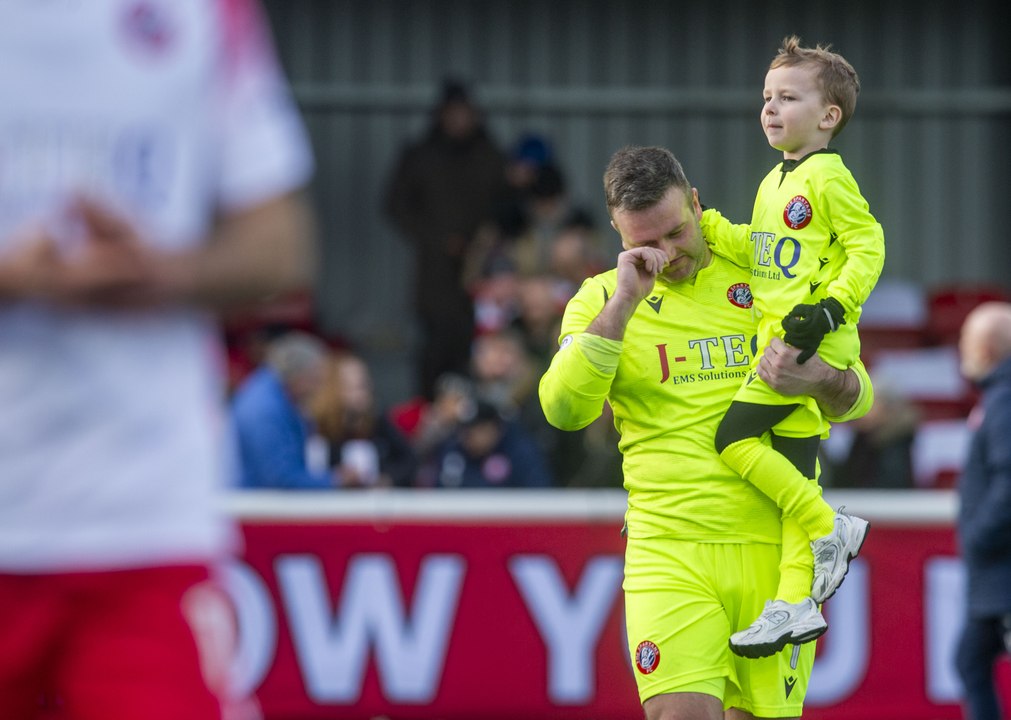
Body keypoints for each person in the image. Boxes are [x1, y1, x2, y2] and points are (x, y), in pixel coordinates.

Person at [0, 2, 315, 718]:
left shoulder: (210, 16)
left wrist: (165, 273)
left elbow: (283, 246)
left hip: (143, 519)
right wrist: (13, 278)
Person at [539, 146, 874, 720]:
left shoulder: (768, 275)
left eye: (676, 232)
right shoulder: (602, 299)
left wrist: (815, 376)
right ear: (620, 237)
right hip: (669, 550)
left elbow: (855, 396)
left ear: (697, 204)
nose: (667, 255)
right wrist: (624, 302)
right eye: (645, 243)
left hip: (775, 554)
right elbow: (564, 409)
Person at [701, 36, 885, 655]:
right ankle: (793, 604)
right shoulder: (774, 181)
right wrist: (703, 226)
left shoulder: (827, 176)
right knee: (796, 477)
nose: (770, 109)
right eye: (766, 98)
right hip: (786, 344)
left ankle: (828, 523)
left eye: (787, 97)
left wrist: (832, 306)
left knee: (731, 439)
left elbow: (869, 245)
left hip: (807, 348)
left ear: (828, 116)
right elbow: (759, 252)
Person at [384, 78, 508, 400]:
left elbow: (507, 205)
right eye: (452, 114)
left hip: (481, 269)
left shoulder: (489, 155)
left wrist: (486, 240)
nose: (458, 121)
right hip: (435, 272)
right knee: (434, 345)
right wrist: (436, 239)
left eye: (464, 114)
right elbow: (396, 205)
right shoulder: (422, 156)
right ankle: (429, 410)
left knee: (479, 342)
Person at [954, 302, 1011, 720]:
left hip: (1003, 573)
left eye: (966, 341)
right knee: (969, 659)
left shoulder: (1004, 401)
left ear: (986, 348)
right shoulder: (997, 398)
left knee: (970, 660)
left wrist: (978, 536)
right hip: (996, 577)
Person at [232, 331, 338, 490]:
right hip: (255, 506)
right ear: (301, 376)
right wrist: (335, 481)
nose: (318, 388)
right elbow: (280, 480)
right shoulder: (266, 408)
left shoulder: (269, 393)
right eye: (316, 379)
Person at [308, 351, 418, 488]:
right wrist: (338, 478)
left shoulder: (378, 422)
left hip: (371, 505)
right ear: (334, 388)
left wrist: (387, 480)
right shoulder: (316, 426)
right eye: (354, 386)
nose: (363, 392)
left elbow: (409, 460)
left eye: (364, 384)